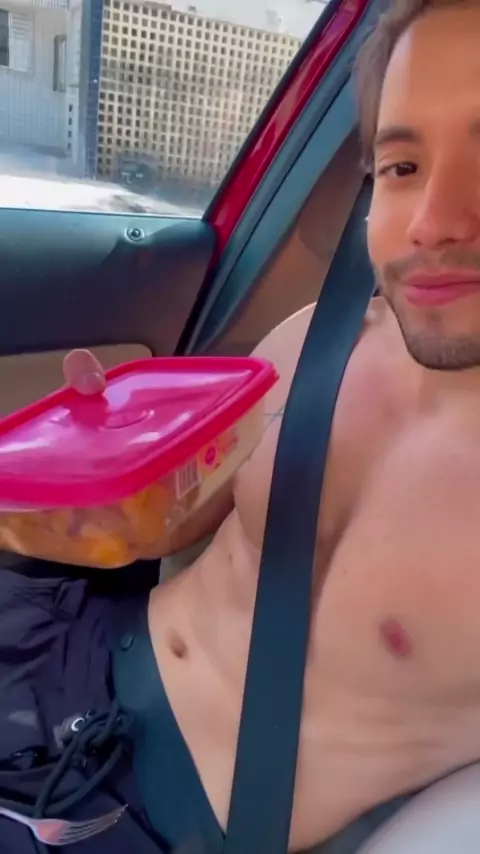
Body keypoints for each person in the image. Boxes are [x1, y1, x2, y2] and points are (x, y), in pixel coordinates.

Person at [3, 0, 480, 851]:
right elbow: (184, 525)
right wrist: (109, 482)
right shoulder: (310, 340)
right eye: (403, 166)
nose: (432, 220)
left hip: (155, 821)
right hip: (77, 642)